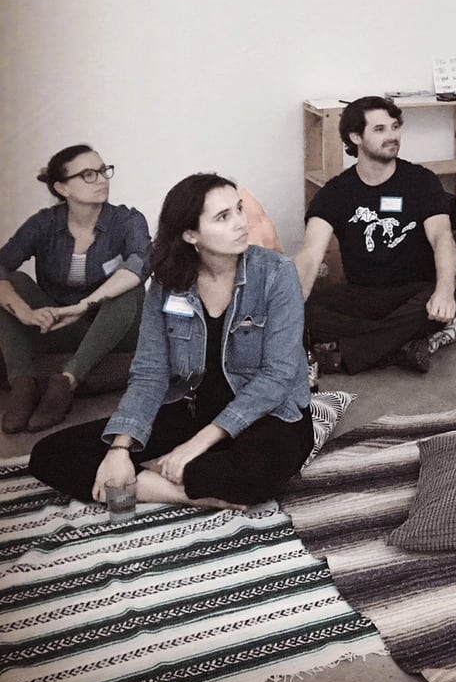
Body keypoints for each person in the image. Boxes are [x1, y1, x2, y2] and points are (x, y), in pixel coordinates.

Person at [29, 174, 314, 509]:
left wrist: (195, 445)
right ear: (191, 234)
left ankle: (152, 479)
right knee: (49, 455)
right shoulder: (168, 283)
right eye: (223, 217)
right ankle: (181, 489)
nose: (241, 223)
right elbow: (150, 373)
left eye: (239, 209)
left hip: (266, 414)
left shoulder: (277, 273)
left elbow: (277, 377)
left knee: (257, 471)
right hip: (192, 409)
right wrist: (120, 448)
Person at [295, 96, 456, 374]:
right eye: (380, 129)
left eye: (395, 127)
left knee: (440, 302)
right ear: (355, 137)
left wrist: (444, 291)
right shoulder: (335, 193)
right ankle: (394, 348)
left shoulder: (421, 181)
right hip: (361, 296)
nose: (392, 136)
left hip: (413, 292)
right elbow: (310, 254)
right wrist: (294, 304)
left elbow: (442, 237)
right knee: (301, 311)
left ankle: (345, 355)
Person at [0, 145, 149, 433]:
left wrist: (84, 305)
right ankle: (23, 384)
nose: (102, 180)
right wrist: (25, 313)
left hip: (116, 328)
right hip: (63, 327)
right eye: (88, 174)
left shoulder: (127, 220)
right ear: (62, 187)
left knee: (126, 286)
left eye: (103, 171)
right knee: (13, 282)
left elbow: (140, 264)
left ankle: (67, 381)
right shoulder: (44, 223)